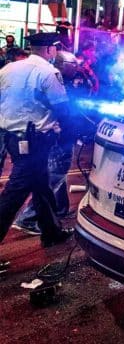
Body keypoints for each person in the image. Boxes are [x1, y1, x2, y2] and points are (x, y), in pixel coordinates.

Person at [0, 33, 75, 269]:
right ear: (51, 50)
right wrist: (69, 132)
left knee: (41, 186)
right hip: (34, 141)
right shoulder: (48, 73)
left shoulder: (9, 69)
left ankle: (51, 231)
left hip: (11, 137)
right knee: (14, 193)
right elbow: (62, 107)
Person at [13, 50, 84, 234]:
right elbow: (63, 111)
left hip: (53, 135)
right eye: (73, 64)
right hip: (58, 136)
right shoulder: (55, 79)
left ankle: (58, 209)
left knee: (57, 174)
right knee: (54, 176)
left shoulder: (62, 80)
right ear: (63, 65)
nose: (77, 67)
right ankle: (28, 217)